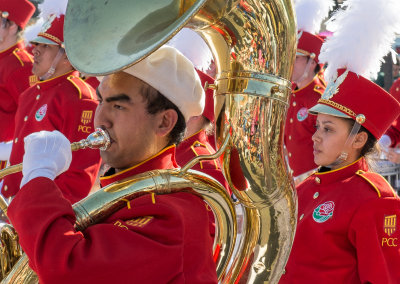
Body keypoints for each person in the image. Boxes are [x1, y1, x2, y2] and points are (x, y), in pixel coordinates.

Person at [7, 46, 218, 284]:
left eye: (118, 106)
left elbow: (69, 269)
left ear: (164, 121)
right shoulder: (131, 189)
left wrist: (38, 178)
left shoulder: (172, 215)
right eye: (101, 101)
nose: (100, 120)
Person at [280, 0, 400, 281]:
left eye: (329, 129)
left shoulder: (375, 200)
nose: (316, 135)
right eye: (318, 126)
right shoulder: (307, 187)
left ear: (359, 139)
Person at [2, 5, 101, 204]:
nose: (36, 50)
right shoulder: (31, 94)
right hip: (12, 201)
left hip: (39, 208)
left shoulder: (80, 98)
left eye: (46, 46)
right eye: (38, 43)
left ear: (66, 55)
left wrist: (41, 209)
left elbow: (78, 176)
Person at [284, 0, 333, 184]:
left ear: (312, 62)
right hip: (293, 177)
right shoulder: (291, 92)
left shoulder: (320, 97)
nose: (290, 64)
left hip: (315, 179)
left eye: (296, 58)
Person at [0, 0, 37, 170]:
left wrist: (10, 151)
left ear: (12, 26)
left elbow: (32, 114)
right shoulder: (5, 59)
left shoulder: (20, 64)